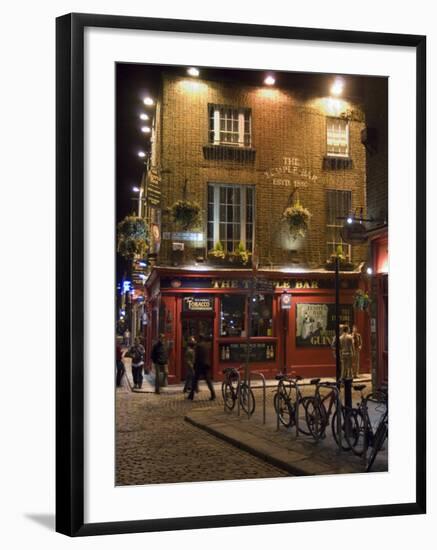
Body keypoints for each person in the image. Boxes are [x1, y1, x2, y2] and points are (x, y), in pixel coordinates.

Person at [188, 335, 216, 401]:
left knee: (195, 380)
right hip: (206, 365)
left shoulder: (198, 346)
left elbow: (196, 356)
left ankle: (191, 395)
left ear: (200, 339)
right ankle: (213, 394)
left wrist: (194, 365)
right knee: (208, 381)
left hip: (199, 365)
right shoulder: (206, 346)